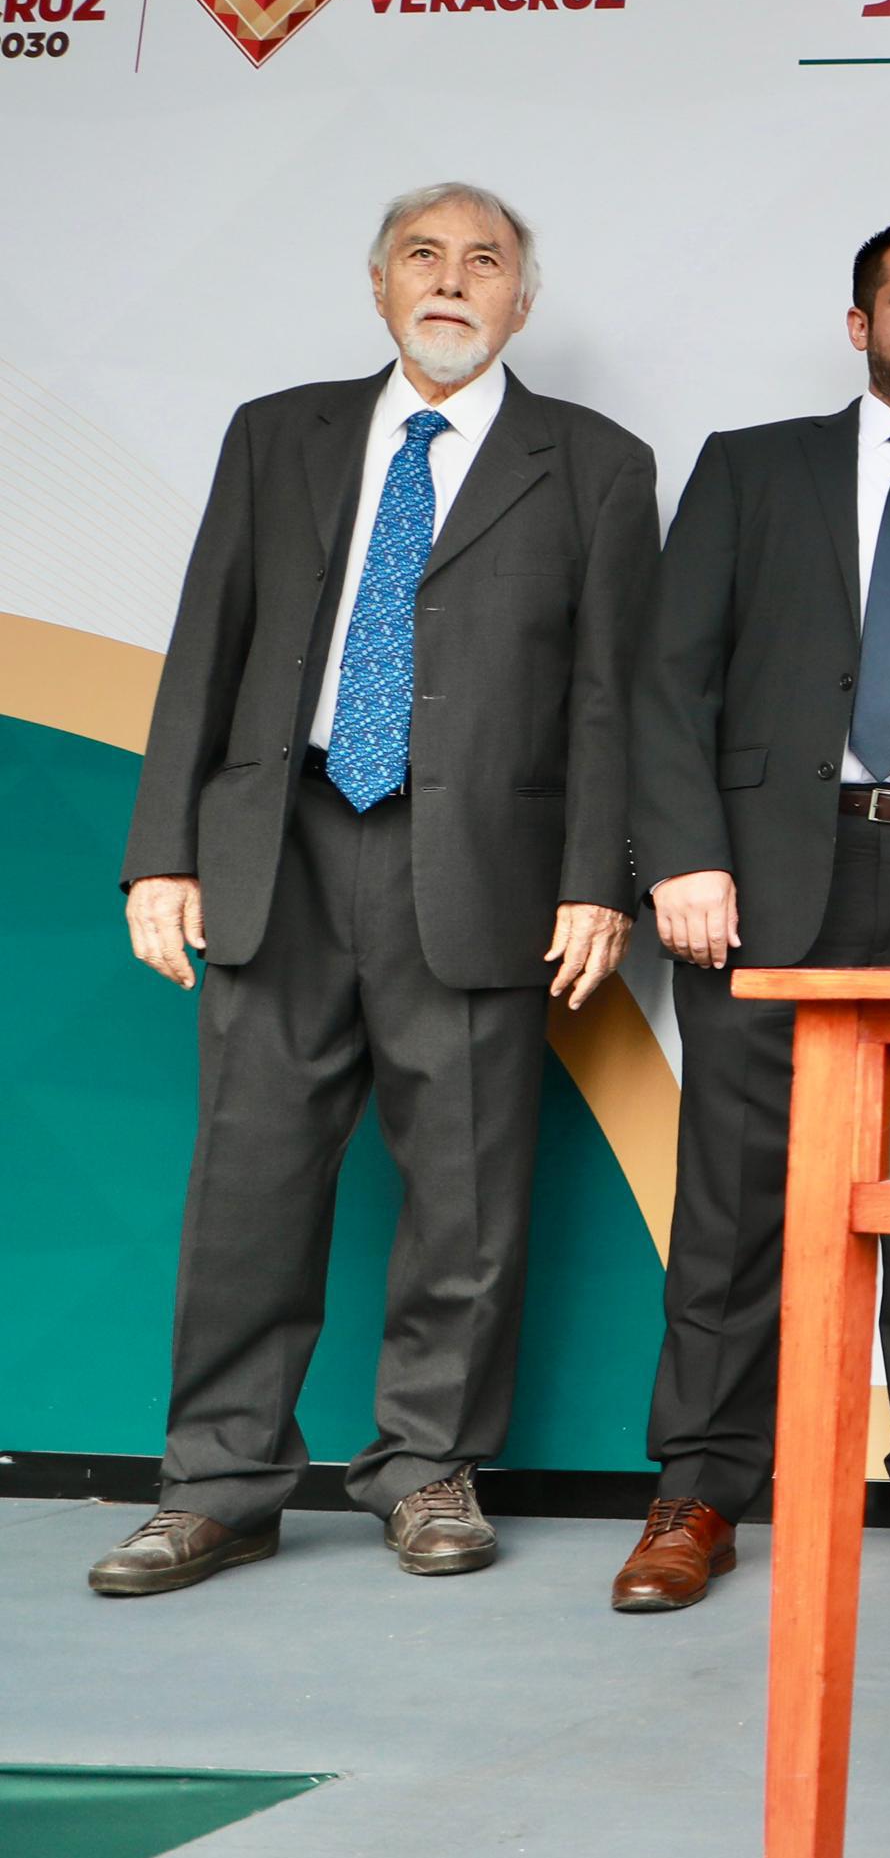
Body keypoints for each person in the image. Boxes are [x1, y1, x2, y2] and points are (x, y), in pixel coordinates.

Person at [94, 184, 657, 1596]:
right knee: (247, 1181)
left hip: (477, 870)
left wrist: (597, 879)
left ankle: (427, 1471)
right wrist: (162, 850)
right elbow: (207, 640)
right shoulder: (277, 433)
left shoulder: (596, 461)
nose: (452, 279)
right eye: (424, 255)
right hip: (276, 850)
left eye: (484, 261)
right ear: (379, 282)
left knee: (466, 1192)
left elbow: (613, 695)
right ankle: (216, 1484)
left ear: (522, 299)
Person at [608, 215, 890, 1613]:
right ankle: (697, 1488)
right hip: (765, 876)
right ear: (861, 323)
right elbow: (667, 676)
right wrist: (683, 856)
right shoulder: (755, 468)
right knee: (736, 1201)